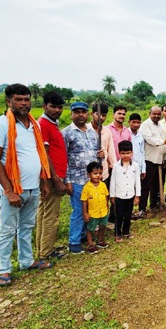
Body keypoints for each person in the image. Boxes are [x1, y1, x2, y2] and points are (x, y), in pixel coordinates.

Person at [0, 84, 52, 287]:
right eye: (18, 99)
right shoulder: (0, 125)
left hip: (33, 187)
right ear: (8, 101)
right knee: (7, 230)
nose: (23, 103)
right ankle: (4, 269)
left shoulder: (34, 125)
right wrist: (8, 190)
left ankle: (26, 261)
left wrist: (43, 182)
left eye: (26, 99)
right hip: (13, 190)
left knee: (26, 226)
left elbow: (39, 155)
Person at [61, 102, 102, 255]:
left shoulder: (92, 133)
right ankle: (74, 242)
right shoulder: (66, 133)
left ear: (88, 114)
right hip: (76, 180)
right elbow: (63, 158)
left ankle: (85, 235)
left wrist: (100, 156)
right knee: (79, 211)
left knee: (89, 209)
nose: (80, 115)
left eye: (83, 112)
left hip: (91, 180)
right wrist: (68, 180)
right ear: (71, 114)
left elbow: (95, 153)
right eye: (76, 112)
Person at [35, 91, 68, 261]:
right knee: (51, 215)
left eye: (59, 107)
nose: (56, 110)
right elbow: (45, 154)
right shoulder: (43, 125)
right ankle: (45, 253)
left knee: (44, 213)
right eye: (53, 106)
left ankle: (43, 249)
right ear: (44, 106)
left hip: (52, 175)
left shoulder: (52, 124)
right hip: (51, 177)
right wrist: (55, 179)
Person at [139, 106, 166, 212]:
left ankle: (153, 205)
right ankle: (142, 208)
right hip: (149, 159)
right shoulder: (145, 125)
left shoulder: (159, 125)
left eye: (158, 114)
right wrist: (165, 142)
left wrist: (164, 157)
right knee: (146, 184)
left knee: (156, 184)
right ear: (149, 113)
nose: (156, 116)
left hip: (159, 159)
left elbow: (161, 140)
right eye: (154, 114)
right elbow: (150, 140)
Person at [109, 141, 141, 242]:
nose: (125, 155)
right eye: (123, 153)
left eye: (128, 153)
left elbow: (137, 181)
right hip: (119, 195)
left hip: (130, 194)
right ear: (119, 153)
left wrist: (137, 195)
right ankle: (118, 233)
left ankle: (126, 232)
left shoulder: (135, 166)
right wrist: (112, 196)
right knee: (119, 215)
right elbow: (113, 181)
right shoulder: (116, 166)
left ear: (131, 152)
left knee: (128, 215)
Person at [81, 162, 109, 254]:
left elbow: (106, 197)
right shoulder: (86, 188)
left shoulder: (103, 185)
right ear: (89, 175)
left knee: (103, 226)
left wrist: (107, 207)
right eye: (95, 173)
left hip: (103, 212)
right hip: (93, 213)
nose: (98, 176)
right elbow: (84, 201)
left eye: (100, 173)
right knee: (90, 229)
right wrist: (85, 213)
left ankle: (100, 240)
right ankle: (90, 245)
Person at [88, 102, 116, 183]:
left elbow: (111, 151)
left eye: (103, 115)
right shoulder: (85, 130)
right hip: (89, 174)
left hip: (103, 173)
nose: (101, 118)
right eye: (98, 114)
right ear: (91, 114)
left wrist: (112, 166)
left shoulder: (107, 131)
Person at [128, 113, 146, 216]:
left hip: (138, 166)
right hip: (128, 166)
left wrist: (143, 169)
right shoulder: (126, 134)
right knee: (128, 188)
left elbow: (142, 152)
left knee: (137, 187)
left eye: (138, 122)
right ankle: (128, 211)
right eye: (133, 122)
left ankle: (139, 209)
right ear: (129, 122)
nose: (136, 124)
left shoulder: (140, 136)